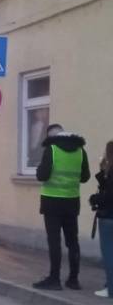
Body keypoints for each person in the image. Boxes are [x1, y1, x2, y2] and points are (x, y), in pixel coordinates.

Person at [33, 124, 90, 291]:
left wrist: (39, 168)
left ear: (51, 136)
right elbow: (85, 177)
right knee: (72, 241)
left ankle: (54, 279)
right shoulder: (80, 151)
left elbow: (42, 175)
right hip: (72, 202)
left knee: (54, 241)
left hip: (52, 203)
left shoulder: (51, 150)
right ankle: (73, 279)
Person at [90, 141, 113, 298]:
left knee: (109, 255)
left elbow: (108, 195)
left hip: (109, 217)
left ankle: (111, 289)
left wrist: (95, 198)